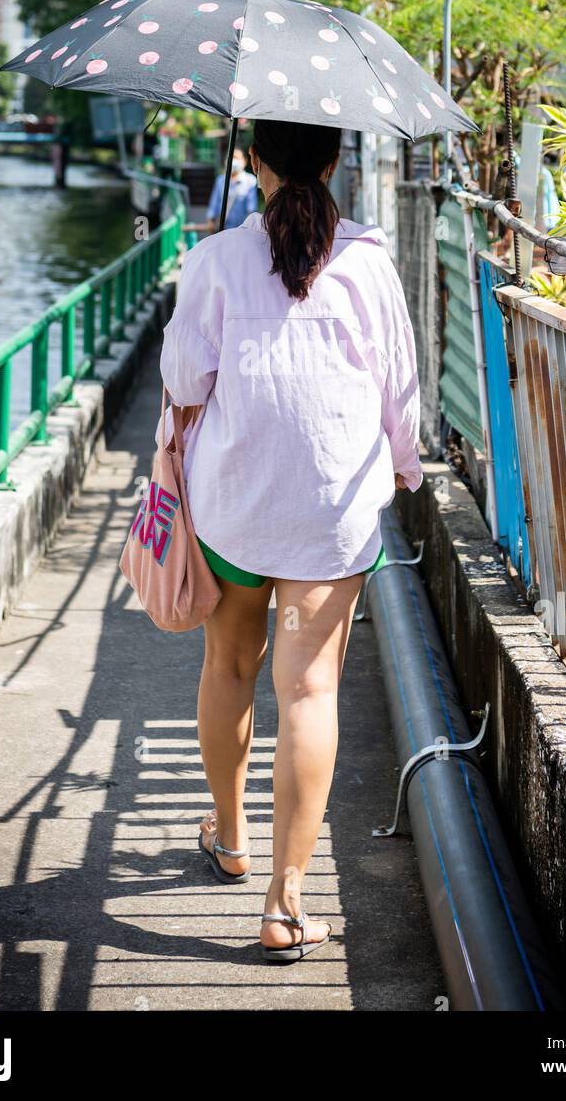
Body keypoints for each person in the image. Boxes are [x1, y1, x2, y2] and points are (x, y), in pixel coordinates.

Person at [157, 119, 422, 963]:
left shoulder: (217, 260)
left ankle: (230, 840)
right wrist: (406, 469)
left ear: (250, 159)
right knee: (310, 692)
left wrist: (206, 276)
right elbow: (400, 390)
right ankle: (286, 903)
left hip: (234, 506)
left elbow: (182, 380)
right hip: (330, 513)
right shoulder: (371, 264)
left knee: (229, 667)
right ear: (338, 158)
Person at [204, 147, 258, 231]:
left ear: (245, 161)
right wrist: (210, 220)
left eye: (236, 158)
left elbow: (251, 208)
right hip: (222, 229)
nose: (233, 161)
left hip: (241, 230)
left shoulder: (250, 181)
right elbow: (214, 202)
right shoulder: (220, 180)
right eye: (231, 157)